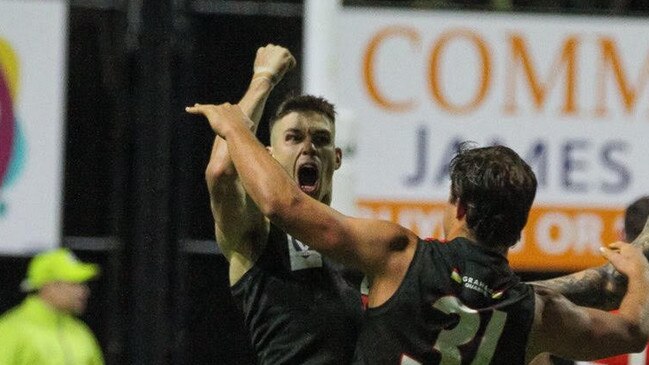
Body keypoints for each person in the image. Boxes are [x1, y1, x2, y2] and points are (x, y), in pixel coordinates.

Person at [186, 102, 649, 364]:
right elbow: (631, 330)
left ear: (459, 205)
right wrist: (639, 267)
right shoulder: (533, 311)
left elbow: (282, 204)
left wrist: (232, 126)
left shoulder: (401, 256)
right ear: (520, 228)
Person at [203, 44, 362, 364]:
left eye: (320, 138)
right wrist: (264, 78)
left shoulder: (359, 239)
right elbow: (221, 171)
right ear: (268, 156)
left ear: (337, 157)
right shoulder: (258, 232)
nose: (309, 147)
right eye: (293, 137)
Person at [0, 247, 104, 365]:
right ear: (49, 286)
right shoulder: (10, 330)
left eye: (83, 284)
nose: (84, 291)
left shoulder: (82, 333)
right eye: (74, 283)